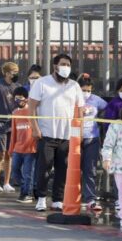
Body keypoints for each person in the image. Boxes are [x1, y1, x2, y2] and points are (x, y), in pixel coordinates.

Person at [29, 54, 84, 211]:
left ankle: (58, 199)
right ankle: (40, 198)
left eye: (68, 64)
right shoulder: (42, 83)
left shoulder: (74, 86)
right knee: (44, 167)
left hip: (67, 136)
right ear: (55, 66)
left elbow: (80, 112)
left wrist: (78, 134)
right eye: (63, 64)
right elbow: (31, 107)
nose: (66, 67)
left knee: (63, 167)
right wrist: (35, 128)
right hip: (46, 134)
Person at [0, 62, 20, 193]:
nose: (15, 74)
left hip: (12, 124)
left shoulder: (17, 86)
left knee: (9, 154)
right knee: (0, 154)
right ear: (7, 73)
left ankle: (7, 182)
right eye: (13, 72)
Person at [77, 73, 108, 210]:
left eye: (88, 90)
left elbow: (108, 108)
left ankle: (90, 198)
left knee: (90, 169)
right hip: (75, 139)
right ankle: (74, 195)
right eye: (83, 90)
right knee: (74, 169)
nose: (86, 93)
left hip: (92, 138)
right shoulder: (72, 99)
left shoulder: (96, 100)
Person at [8, 86, 37, 203]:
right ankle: (25, 188)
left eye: (20, 98)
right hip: (18, 148)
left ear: (26, 98)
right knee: (14, 170)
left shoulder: (32, 111)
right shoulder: (15, 113)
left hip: (30, 149)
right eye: (16, 99)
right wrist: (11, 148)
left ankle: (27, 193)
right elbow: (14, 132)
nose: (18, 101)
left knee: (28, 173)